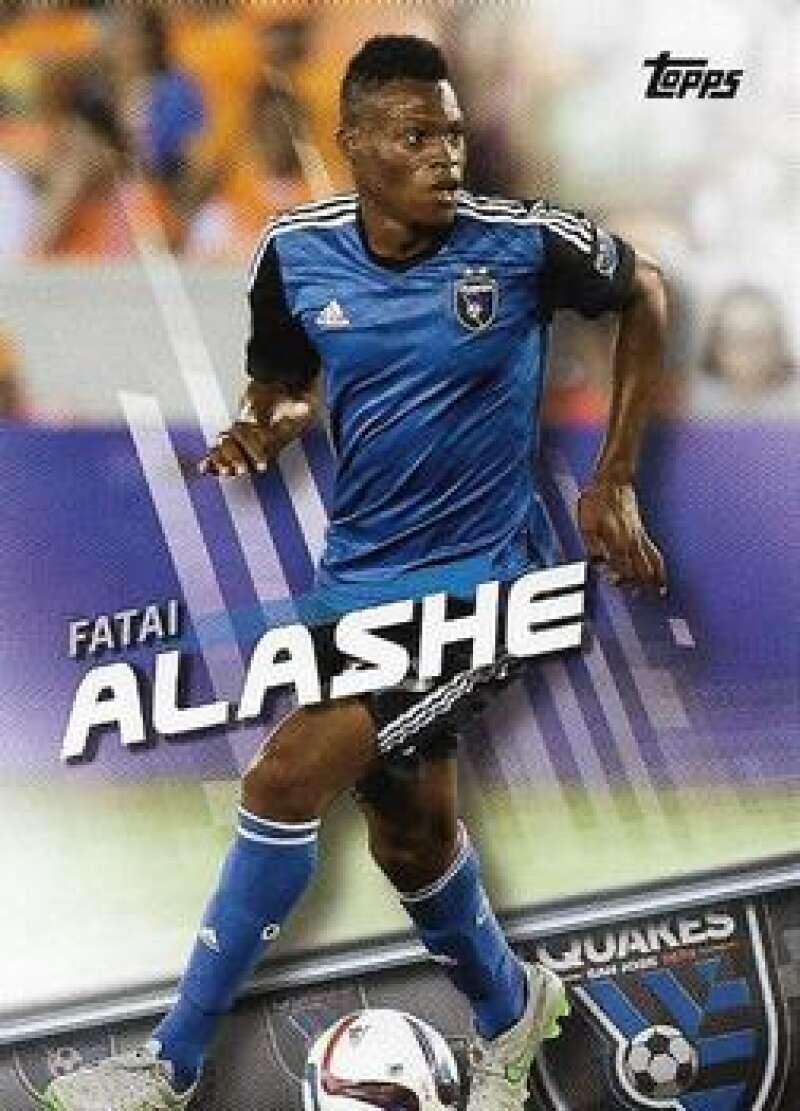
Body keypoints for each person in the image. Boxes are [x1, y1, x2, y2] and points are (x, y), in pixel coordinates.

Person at [45, 34, 667, 1111]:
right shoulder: (295, 253)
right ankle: (510, 1009)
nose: (445, 156)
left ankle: (165, 1068)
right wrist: (269, 422)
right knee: (410, 839)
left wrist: (612, 478)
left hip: (484, 585)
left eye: (452, 134)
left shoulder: (523, 243)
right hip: (359, 582)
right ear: (354, 144)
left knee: (284, 777)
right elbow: (286, 381)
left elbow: (645, 291)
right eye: (415, 136)